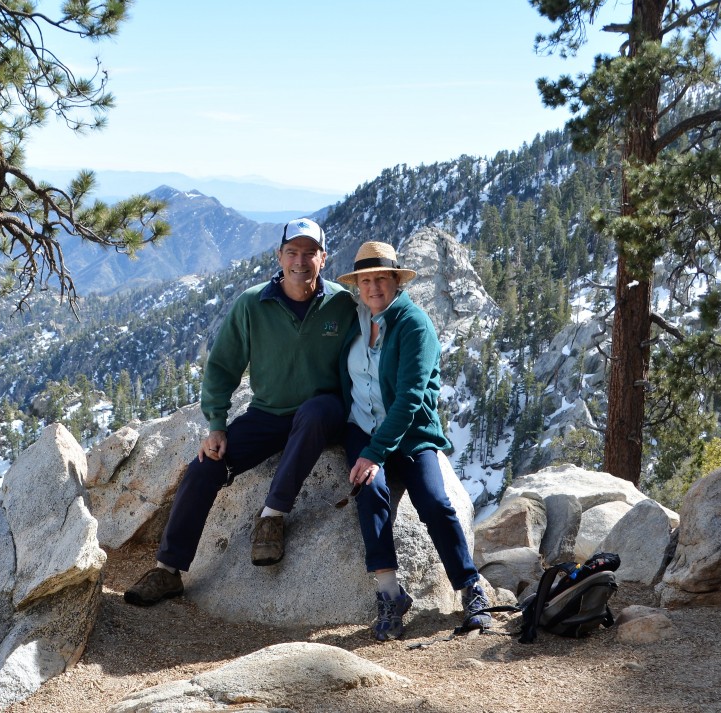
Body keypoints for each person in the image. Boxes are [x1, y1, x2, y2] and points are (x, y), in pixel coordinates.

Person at [124, 217, 357, 606]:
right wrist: (216, 424)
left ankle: (272, 517)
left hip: (323, 416)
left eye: (310, 253)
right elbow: (222, 368)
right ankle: (168, 571)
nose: (301, 261)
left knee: (316, 410)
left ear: (324, 257)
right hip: (268, 415)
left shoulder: (342, 304)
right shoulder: (253, 304)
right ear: (280, 256)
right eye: (293, 252)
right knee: (205, 467)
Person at [336, 241, 492, 641]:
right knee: (371, 494)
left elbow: (408, 400)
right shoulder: (355, 319)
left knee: (435, 503)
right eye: (365, 280)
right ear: (358, 285)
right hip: (361, 427)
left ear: (395, 282)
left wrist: (373, 453)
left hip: (409, 433)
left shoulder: (414, 324)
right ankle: (390, 596)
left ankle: (471, 587)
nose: (373, 287)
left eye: (381, 279)